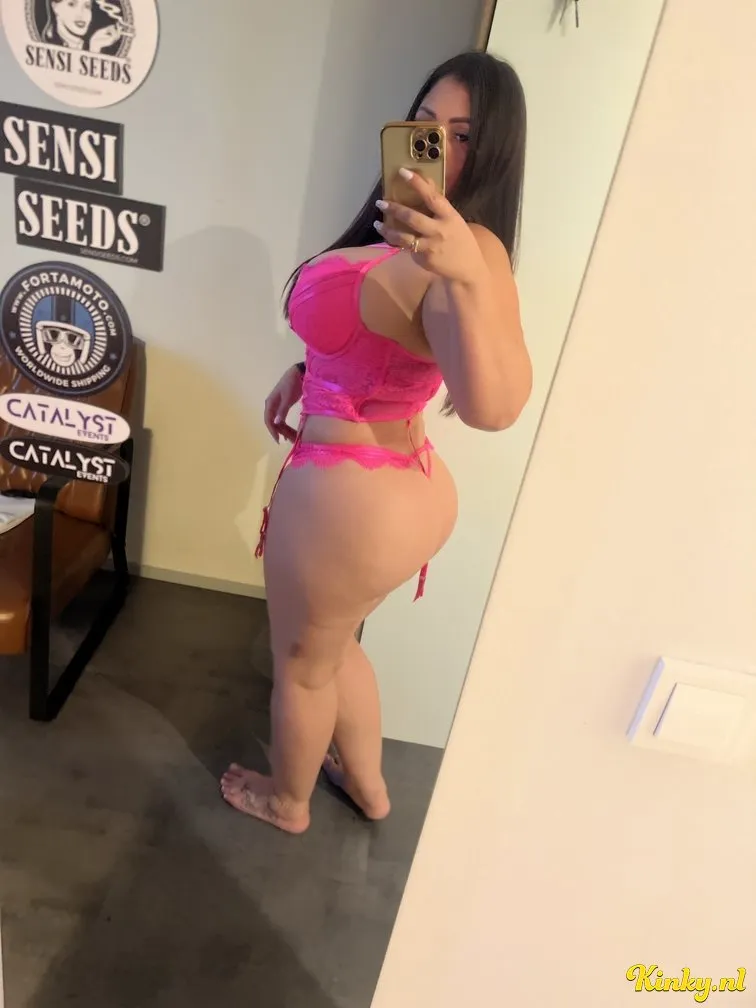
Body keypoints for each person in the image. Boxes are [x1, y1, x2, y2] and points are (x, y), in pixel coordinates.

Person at [221, 51, 532, 834]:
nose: (438, 146)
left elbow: (494, 406)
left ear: (495, 152)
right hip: (401, 490)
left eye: (464, 135)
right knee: (337, 647)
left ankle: (287, 801)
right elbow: (377, 332)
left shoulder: (469, 254)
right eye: (425, 123)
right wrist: (308, 370)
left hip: (350, 500)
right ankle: (370, 787)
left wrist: (465, 275)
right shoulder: (404, 238)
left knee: (302, 666)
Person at [43, 0, 122, 54]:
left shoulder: (82, 45)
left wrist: (95, 47)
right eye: (72, 4)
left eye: (87, 6)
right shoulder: (46, 45)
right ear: (55, 7)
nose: (81, 13)